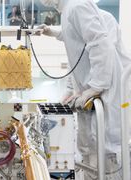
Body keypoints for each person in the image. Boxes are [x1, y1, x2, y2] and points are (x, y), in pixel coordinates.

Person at [37, 0, 131, 179]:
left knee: (106, 154)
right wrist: (53, 33)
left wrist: (95, 87)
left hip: (105, 95)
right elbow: (77, 47)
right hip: (92, 96)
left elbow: (100, 45)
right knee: (90, 153)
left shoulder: (77, 6)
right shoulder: (68, 11)